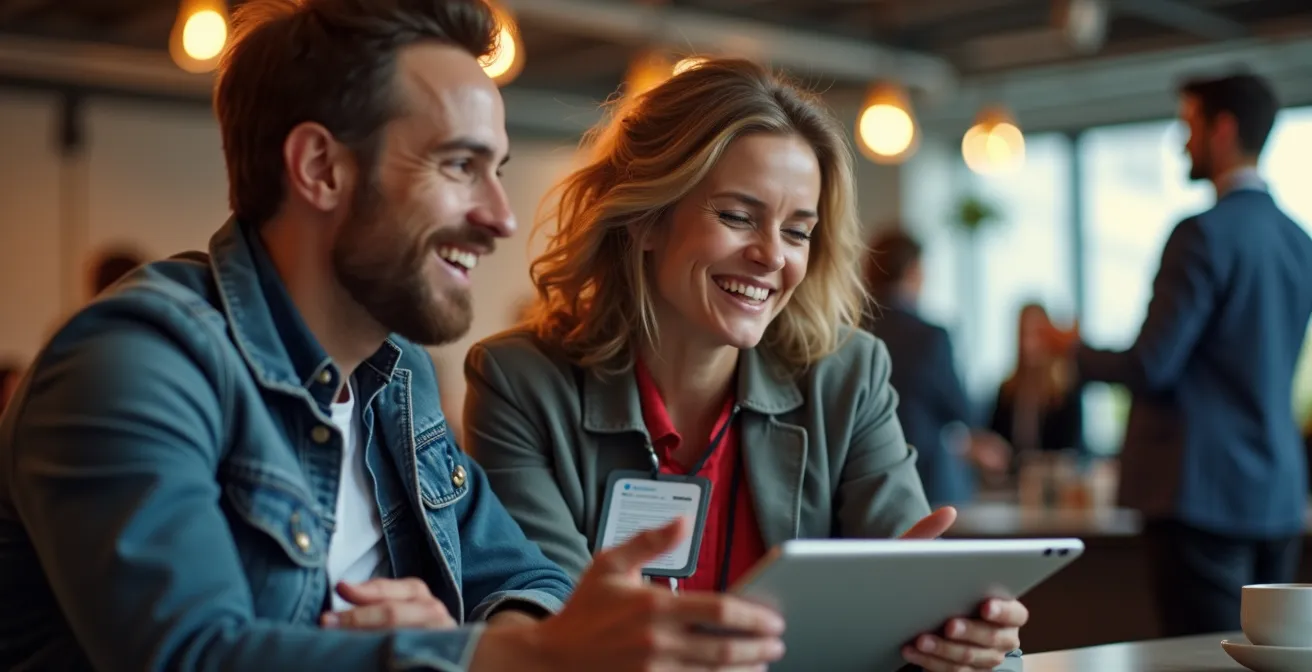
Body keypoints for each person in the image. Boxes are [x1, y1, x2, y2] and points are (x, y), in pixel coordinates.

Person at [0, 2, 787, 670]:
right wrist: (491, 656)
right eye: (458, 166)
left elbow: (530, 580)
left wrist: (464, 641)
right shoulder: (133, 363)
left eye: (498, 171)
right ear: (321, 169)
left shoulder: (393, 376)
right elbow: (194, 654)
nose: (500, 218)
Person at [463, 58, 1027, 672]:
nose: (770, 257)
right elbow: (556, 627)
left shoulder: (848, 376)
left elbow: (921, 606)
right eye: (736, 216)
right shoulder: (518, 381)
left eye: (797, 231)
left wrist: (970, 642)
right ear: (646, 218)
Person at [1068, 73, 1312, 637]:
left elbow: (1152, 365)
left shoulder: (1201, 234)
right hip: (1277, 492)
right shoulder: (1299, 242)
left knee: (1201, 657)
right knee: (1270, 658)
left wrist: (1073, 353)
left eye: (1189, 126)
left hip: (1202, 490)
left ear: (1222, 129)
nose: (1182, 143)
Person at [862, 228, 1010, 504]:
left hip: (861, 474)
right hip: (922, 478)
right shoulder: (930, 337)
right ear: (912, 270)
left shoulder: (849, 329)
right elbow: (961, 410)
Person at [989, 303, 1082, 455]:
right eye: (1025, 334)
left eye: (1036, 334)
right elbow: (994, 439)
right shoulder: (1007, 390)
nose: (1030, 344)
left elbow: (1073, 450)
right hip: (1013, 477)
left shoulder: (1065, 392)